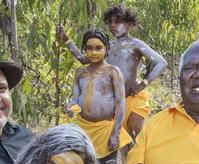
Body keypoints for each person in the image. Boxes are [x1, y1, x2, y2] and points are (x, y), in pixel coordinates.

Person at [57, 4, 167, 141]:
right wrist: (67, 41)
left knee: (138, 137)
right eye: (110, 22)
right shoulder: (109, 47)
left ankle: (148, 160)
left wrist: (143, 83)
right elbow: (84, 60)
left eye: (118, 21)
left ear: (128, 23)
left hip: (132, 99)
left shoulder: (136, 44)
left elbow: (161, 62)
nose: (113, 26)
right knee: (123, 143)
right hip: (113, 104)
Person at [64, 29, 130, 164]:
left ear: (106, 49)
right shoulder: (80, 73)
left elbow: (120, 104)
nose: (93, 52)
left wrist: (116, 133)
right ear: (84, 49)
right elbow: (76, 99)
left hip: (106, 129)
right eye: (89, 48)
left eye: (98, 48)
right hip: (85, 129)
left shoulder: (113, 72)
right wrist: (70, 108)